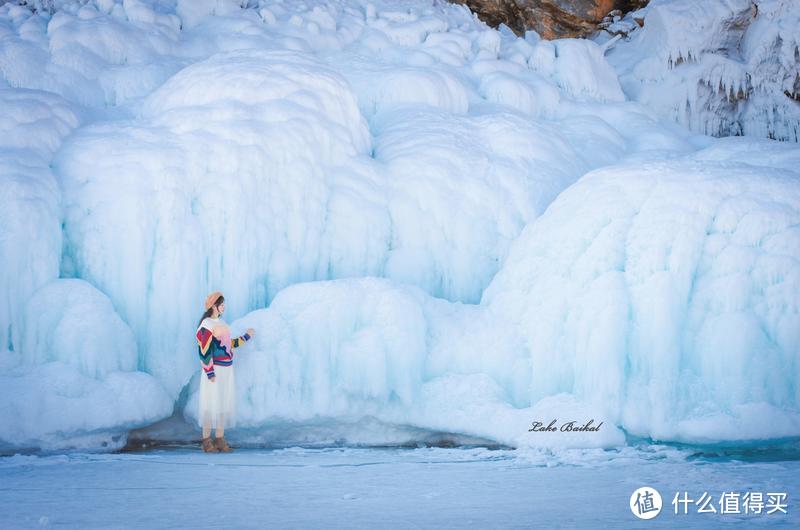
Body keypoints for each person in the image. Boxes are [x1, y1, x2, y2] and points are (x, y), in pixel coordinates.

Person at [196, 291, 254, 453]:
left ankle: (220, 438)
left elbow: (229, 344)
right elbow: (203, 350)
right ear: (214, 306)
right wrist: (209, 371)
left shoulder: (221, 322)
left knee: (222, 401)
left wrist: (246, 337)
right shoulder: (206, 325)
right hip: (214, 370)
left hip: (227, 369)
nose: (223, 307)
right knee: (209, 402)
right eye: (221, 305)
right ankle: (206, 440)